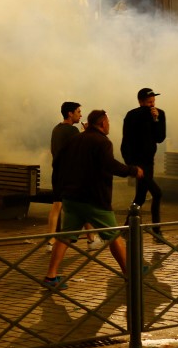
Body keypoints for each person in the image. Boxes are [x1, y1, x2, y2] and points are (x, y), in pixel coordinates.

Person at [43, 110, 144, 289]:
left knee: (65, 236)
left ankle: (51, 277)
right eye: (108, 122)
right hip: (94, 198)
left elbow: (57, 161)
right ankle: (130, 274)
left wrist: (63, 184)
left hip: (71, 197)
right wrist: (133, 170)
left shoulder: (75, 139)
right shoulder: (102, 142)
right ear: (103, 123)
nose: (109, 125)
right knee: (114, 236)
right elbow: (110, 164)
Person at [47, 101, 99, 252]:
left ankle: (50, 241)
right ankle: (91, 239)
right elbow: (81, 148)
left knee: (57, 206)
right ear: (70, 113)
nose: (81, 115)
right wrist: (88, 132)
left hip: (57, 172)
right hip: (71, 175)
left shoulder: (56, 129)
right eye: (78, 112)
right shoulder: (72, 131)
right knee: (82, 205)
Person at [121, 88, 166, 242]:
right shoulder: (132, 115)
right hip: (138, 162)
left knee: (141, 196)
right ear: (140, 102)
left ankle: (128, 227)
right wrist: (130, 165)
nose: (152, 105)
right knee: (156, 193)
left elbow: (160, 138)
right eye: (149, 102)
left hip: (149, 161)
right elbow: (125, 141)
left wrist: (156, 120)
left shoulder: (159, 114)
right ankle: (156, 231)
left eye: (153, 101)